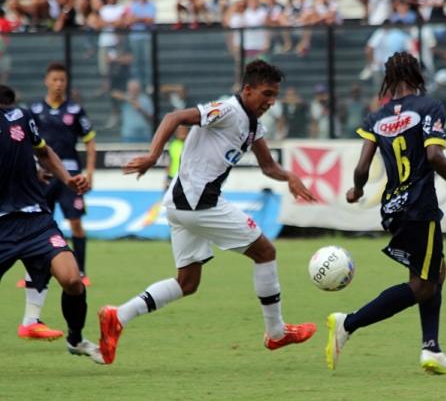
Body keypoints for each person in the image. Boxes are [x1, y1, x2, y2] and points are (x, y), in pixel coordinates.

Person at [98, 59, 318, 365]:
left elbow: (268, 166)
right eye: (266, 94)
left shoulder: (255, 125)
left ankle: (117, 315)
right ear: (248, 89)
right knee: (265, 252)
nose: (270, 102)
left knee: (187, 283)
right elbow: (175, 117)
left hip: (181, 204)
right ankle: (276, 332)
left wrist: (289, 177)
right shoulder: (228, 110)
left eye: (274, 96)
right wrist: (152, 156)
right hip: (198, 201)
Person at [325, 51, 446, 375]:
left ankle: (431, 349)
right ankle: (348, 323)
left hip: (393, 207)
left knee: (436, 270)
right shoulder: (429, 107)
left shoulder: (376, 118)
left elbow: (363, 166)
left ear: (388, 79)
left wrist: (358, 190)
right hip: (420, 205)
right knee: (424, 285)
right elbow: (434, 155)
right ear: (416, 74)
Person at [0, 84, 102, 363]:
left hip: (35, 219)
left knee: (71, 278)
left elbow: (42, 152)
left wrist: (67, 178)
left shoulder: (20, 117)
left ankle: (76, 338)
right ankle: (30, 320)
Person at [17, 62, 96, 341]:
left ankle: (81, 271)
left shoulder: (75, 110)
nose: (59, 84)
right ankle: (36, 276)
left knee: (75, 224)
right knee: (37, 226)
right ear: (46, 81)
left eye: (62, 79)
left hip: (70, 173)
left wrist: (89, 171)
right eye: (55, 79)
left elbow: (89, 141)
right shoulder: (33, 111)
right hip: (42, 177)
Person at [165, 124, 190, 190]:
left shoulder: (191, 144)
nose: (181, 133)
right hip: (172, 177)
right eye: (179, 131)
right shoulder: (173, 144)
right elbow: (169, 162)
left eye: (183, 131)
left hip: (186, 179)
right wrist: (166, 179)